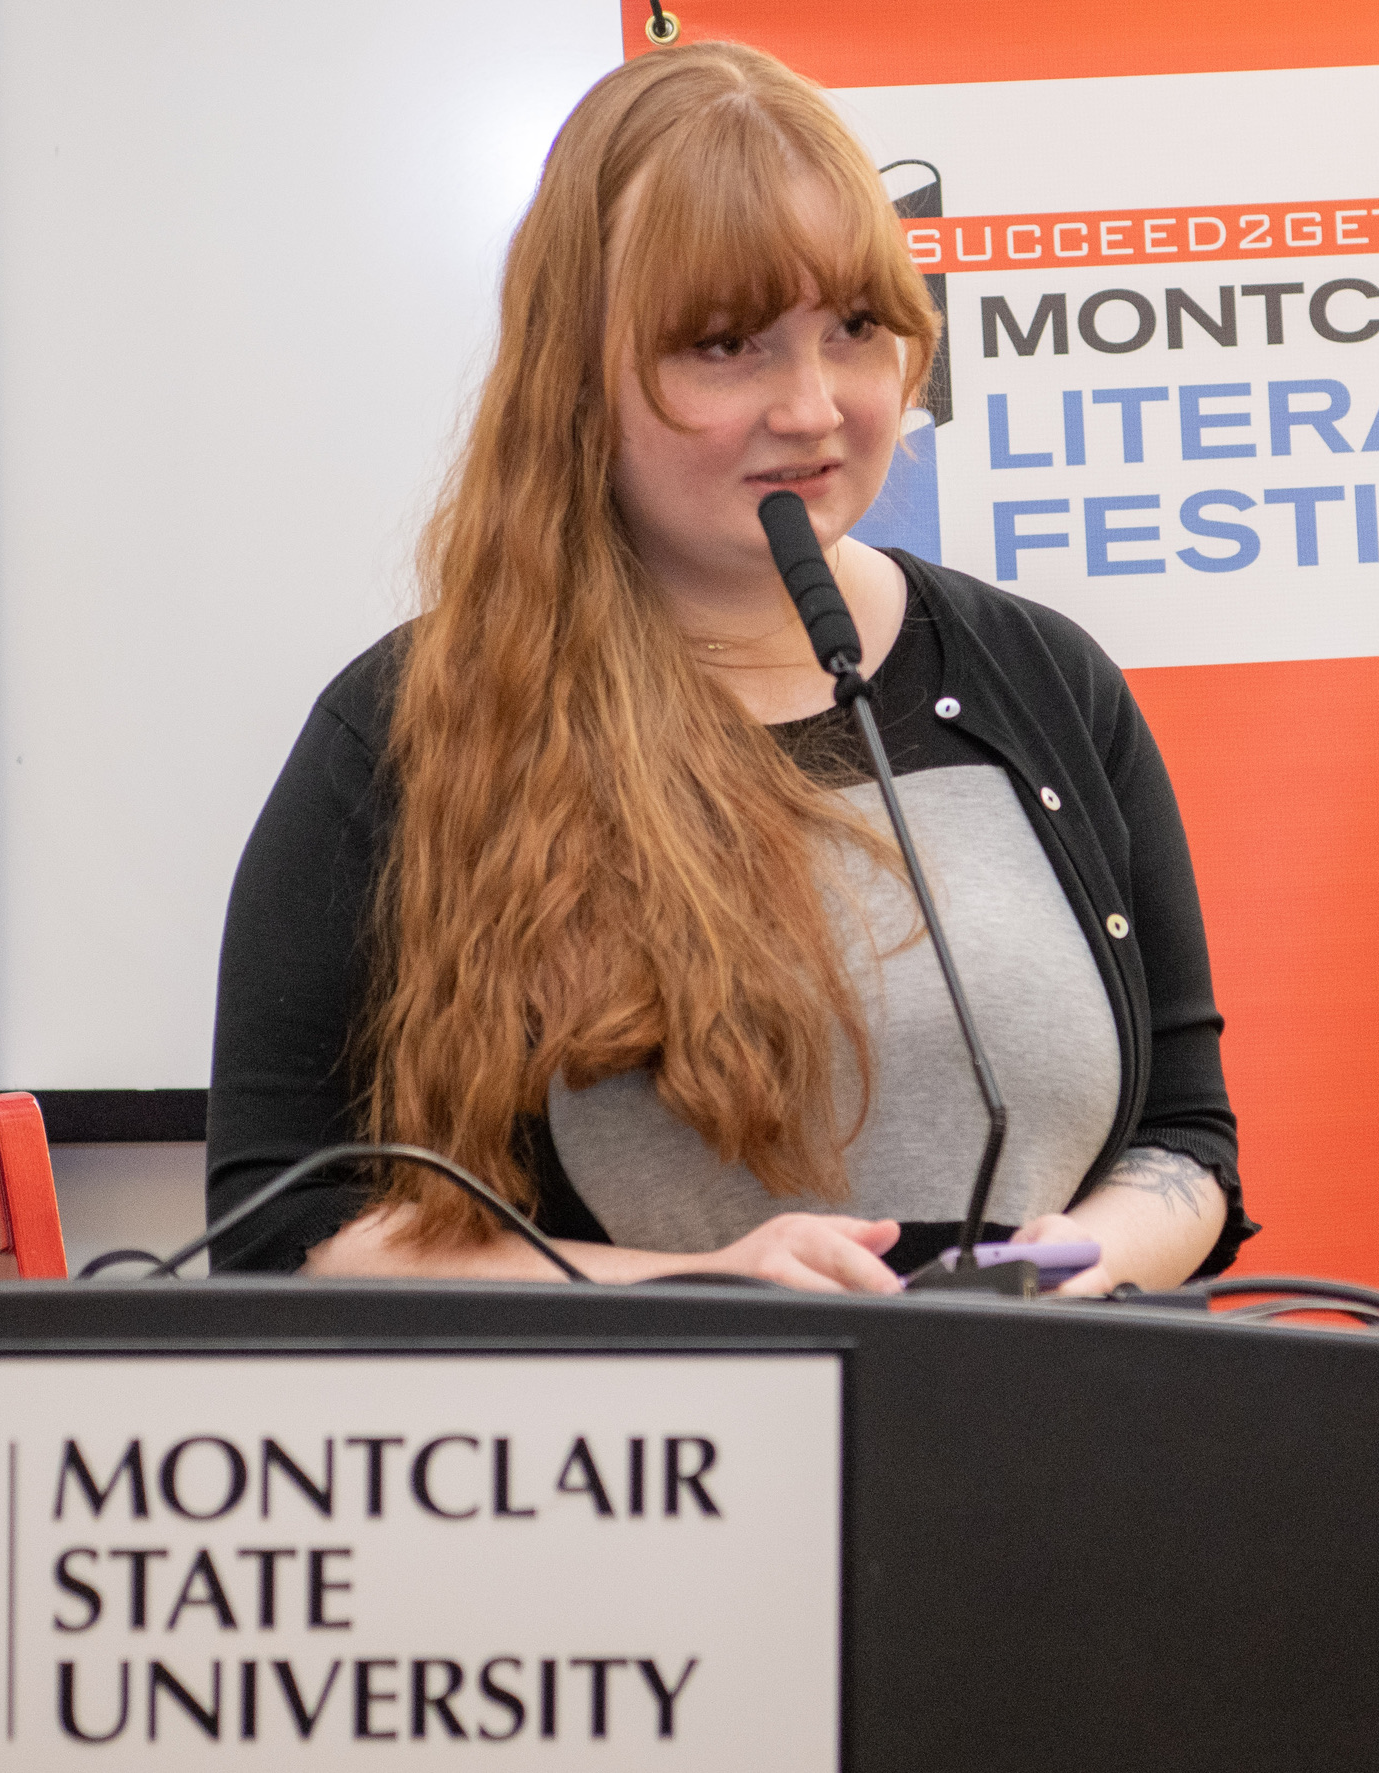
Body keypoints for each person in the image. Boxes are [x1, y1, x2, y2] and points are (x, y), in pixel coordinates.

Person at [206, 41, 1254, 1296]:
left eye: (856, 330)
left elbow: (1184, 1143)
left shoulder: (1047, 677)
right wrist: (688, 1296)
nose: (813, 407)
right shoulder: (408, 731)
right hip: (641, 1470)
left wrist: (1071, 1268)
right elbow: (284, 1229)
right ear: (578, 374)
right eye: (728, 345)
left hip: (1047, 1442)